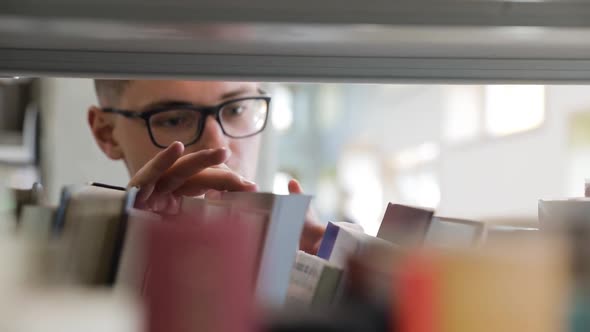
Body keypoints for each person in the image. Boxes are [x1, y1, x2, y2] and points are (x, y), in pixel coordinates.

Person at [87, 80, 324, 253]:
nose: (217, 145)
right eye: (174, 119)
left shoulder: (304, 263)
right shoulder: (71, 282)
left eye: (236, 109)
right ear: (107, 133)